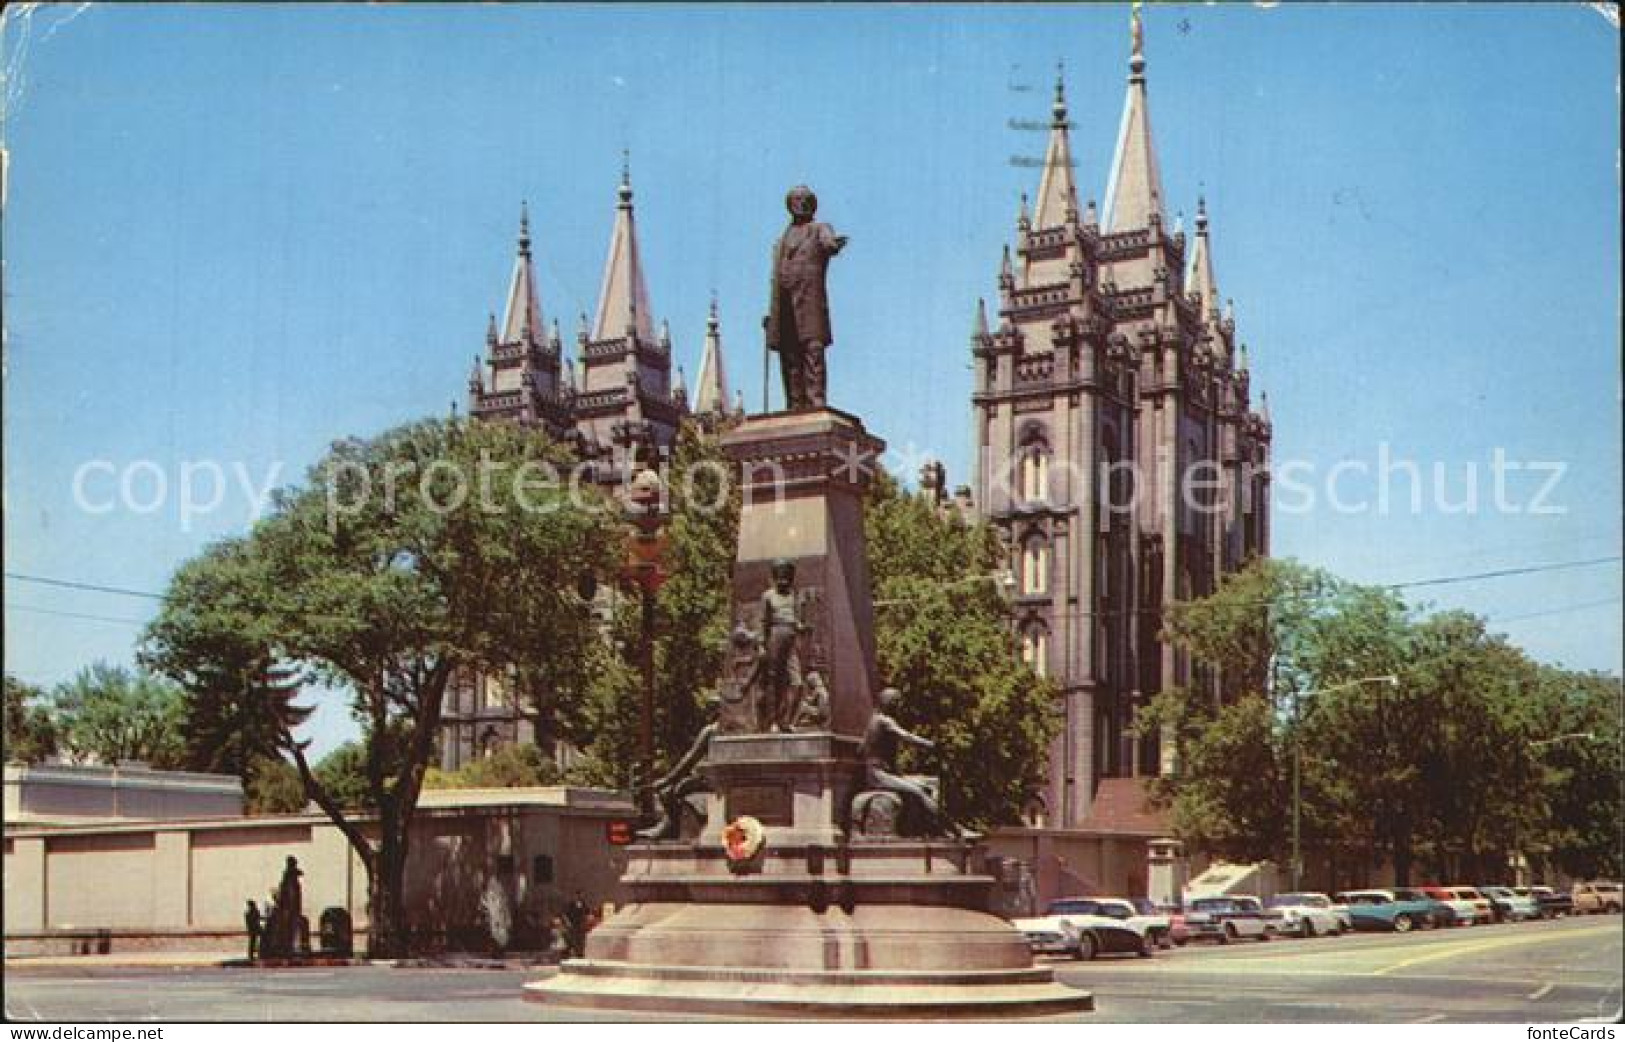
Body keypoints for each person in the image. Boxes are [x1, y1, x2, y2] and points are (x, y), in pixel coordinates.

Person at [765, 185, 846, 409]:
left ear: (813, 204)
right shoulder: (781, 240)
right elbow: (775, 277)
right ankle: (794, 404)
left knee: (813, 351)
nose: (800, 203)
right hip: (784, 306)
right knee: (790, 356)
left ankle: (816, 401)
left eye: (805, 200)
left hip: (809, 303)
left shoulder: (819, 228)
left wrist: (833, 245)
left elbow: (828, 242)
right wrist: (771, 314)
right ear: (789, 205)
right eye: (796, 200)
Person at [858, 687, 973, 839]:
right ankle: (956, 831)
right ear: (889, 703)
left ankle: (937, 829)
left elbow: (861, 749)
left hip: (886, 773)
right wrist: (931, 745)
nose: (900, 706)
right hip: (878, 775)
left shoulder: (874, 720)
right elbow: (906, 736)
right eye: (897, 702)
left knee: (931, 784)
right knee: (919, 792)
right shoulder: (883, 721)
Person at [636, 695, 721, 841]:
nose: (707, 713)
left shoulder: (710, 730)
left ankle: (669, 829)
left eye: (710, 709)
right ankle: (668, 826)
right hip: (721, 778)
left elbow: (690, 758)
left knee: (668, 791)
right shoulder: (737, 730)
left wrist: (667, 779)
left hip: (711, 780)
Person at [753, 559, 806, 731]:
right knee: (774, 681)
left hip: (791, 638)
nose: (784, 579)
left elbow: (796, 618)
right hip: (775, 636)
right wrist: (761, 645)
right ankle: (774, 721)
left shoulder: (794, 595)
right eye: (781, 574)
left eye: (787, 575)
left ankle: (788, 721)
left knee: (797, 682)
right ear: (776, 576)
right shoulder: (768, 596)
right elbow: (762, 621)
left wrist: (800, 626)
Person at [563, 891, 590, 959]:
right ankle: (576, 952)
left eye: (581, 895)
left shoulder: (584, 904)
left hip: (581, 924)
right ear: (576, 896)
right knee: (574, 939)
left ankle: (580, 953)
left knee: (581, 939)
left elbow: (587, 912)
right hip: (573, 924)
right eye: (578, 895)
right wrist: (568, 922)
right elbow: (566, 914)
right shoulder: (571, 904)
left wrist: (586, 921)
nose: (580, 897)